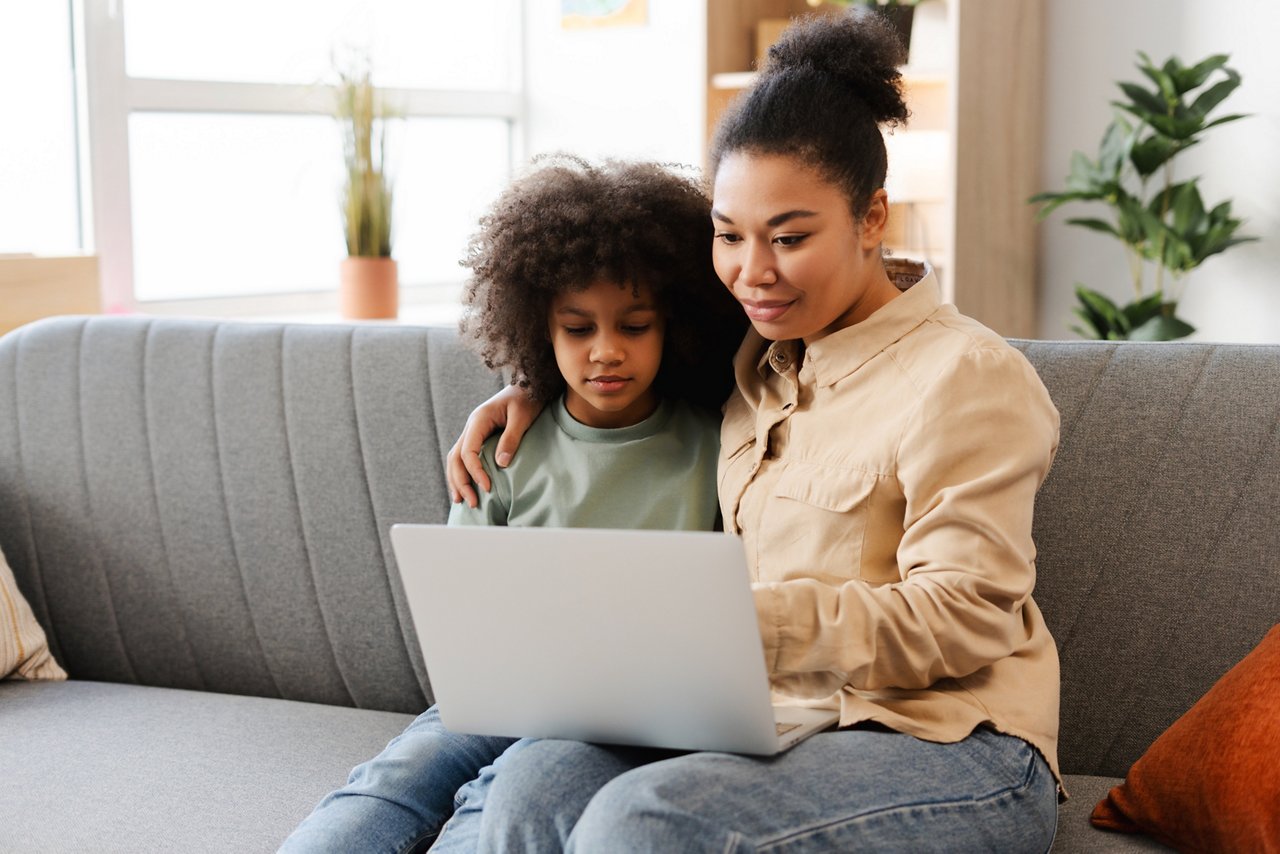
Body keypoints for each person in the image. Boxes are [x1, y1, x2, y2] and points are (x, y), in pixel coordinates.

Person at [446, 10, 1063, 853]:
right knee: (536, 776)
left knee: (644, 821)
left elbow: (965, 617)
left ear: (873, 216)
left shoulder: (966, 376)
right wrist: (531, 388)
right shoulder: (755, 363)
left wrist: (740, 621)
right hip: (774, 723)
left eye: (790, 237)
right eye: (728, 235)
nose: (752, 272)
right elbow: (615, 348)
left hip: (955, 745)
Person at [279, 155, 746, 854]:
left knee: (498, 802)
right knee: (392, 780)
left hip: (630, 721)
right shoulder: (505, 450)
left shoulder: (715, 447)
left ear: (673, 324)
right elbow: (463, 620)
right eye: (578, 328)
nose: (606, 352)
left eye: (635, 325)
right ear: (539, 331)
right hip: (494, 701)